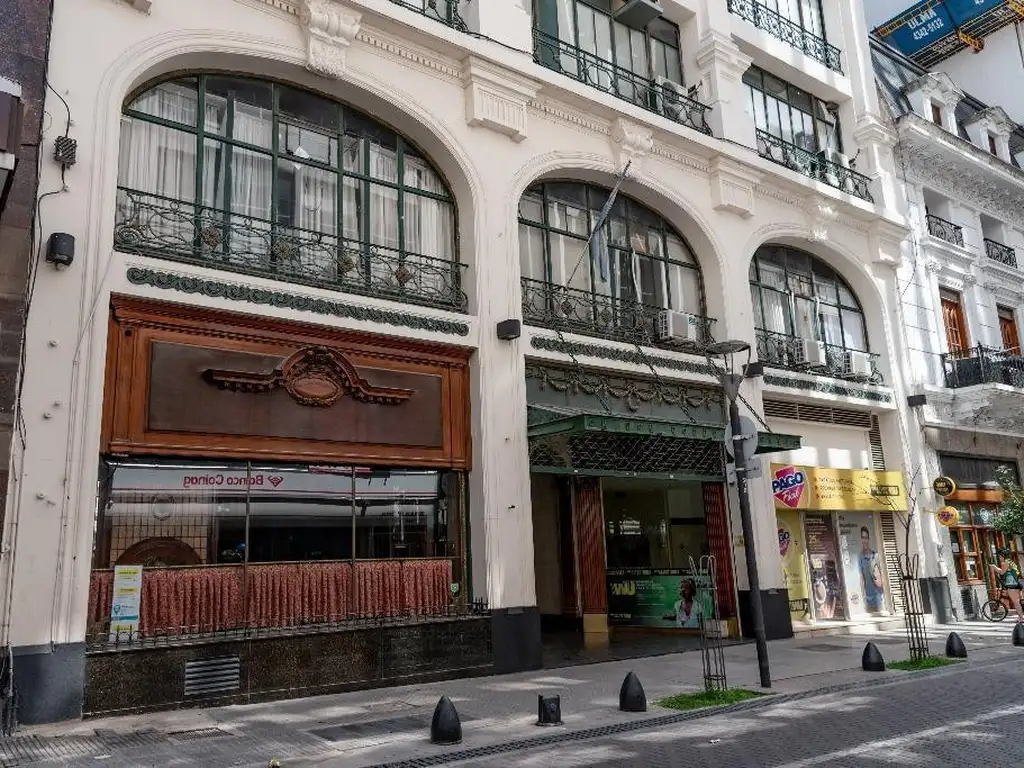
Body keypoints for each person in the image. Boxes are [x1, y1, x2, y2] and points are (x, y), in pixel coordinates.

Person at [989, 548, 1024, 623]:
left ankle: (1021, 618)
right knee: (1018, 601)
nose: (999, 557)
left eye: (999, 556)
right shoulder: (1010, 561)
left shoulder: (1006, 562)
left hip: (1012, 585)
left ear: (1003, 555)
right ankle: (1020, 617)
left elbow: (1002, 572)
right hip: (1016, 583)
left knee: (1016, 603)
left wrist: (994, 567)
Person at [858, 526, 885, 614]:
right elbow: (861, 578)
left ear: (868, 539)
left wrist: (882, 586)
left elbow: (882, 573)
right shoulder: (860, 557)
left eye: (866, 537)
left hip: (878, 596)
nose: (864, 540)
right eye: (863, 537)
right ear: (861, 539)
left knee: (880, 615)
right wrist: (863, 597)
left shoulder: (875, 555)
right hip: (868, 598)